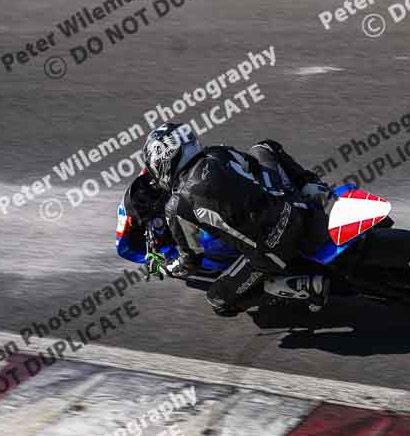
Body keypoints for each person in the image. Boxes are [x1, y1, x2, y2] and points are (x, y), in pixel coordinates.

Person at [140, 122, 332, 317]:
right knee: (264, 148)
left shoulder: (176, 207)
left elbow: (190, 263)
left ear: (162, 163)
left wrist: (163, 266)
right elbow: (254, 165)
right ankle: (312, 186)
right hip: (294, 210)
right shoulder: (218, 154)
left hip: (273, 252)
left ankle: (301, 286)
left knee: (218, 299)